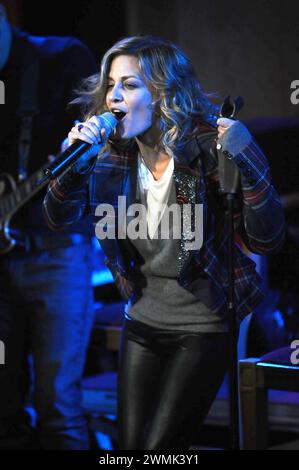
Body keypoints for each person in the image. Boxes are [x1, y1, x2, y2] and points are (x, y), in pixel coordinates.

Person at [43, 35, 285, 450]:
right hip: (141, 321)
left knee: (159, 451)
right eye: (111, 85)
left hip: (203, 322)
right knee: (130, 449)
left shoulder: (206, 148)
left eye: (130, 85)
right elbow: (56, 218)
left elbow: (268, 240)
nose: (114, 96)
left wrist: (246, 157)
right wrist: (75, 167)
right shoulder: (110, 156)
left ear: (162, 93)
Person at [0, 2, 98, 449]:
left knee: (58, 408)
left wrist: (75, 152)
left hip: (55, 251)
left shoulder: (62, 57)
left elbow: (101, 144)